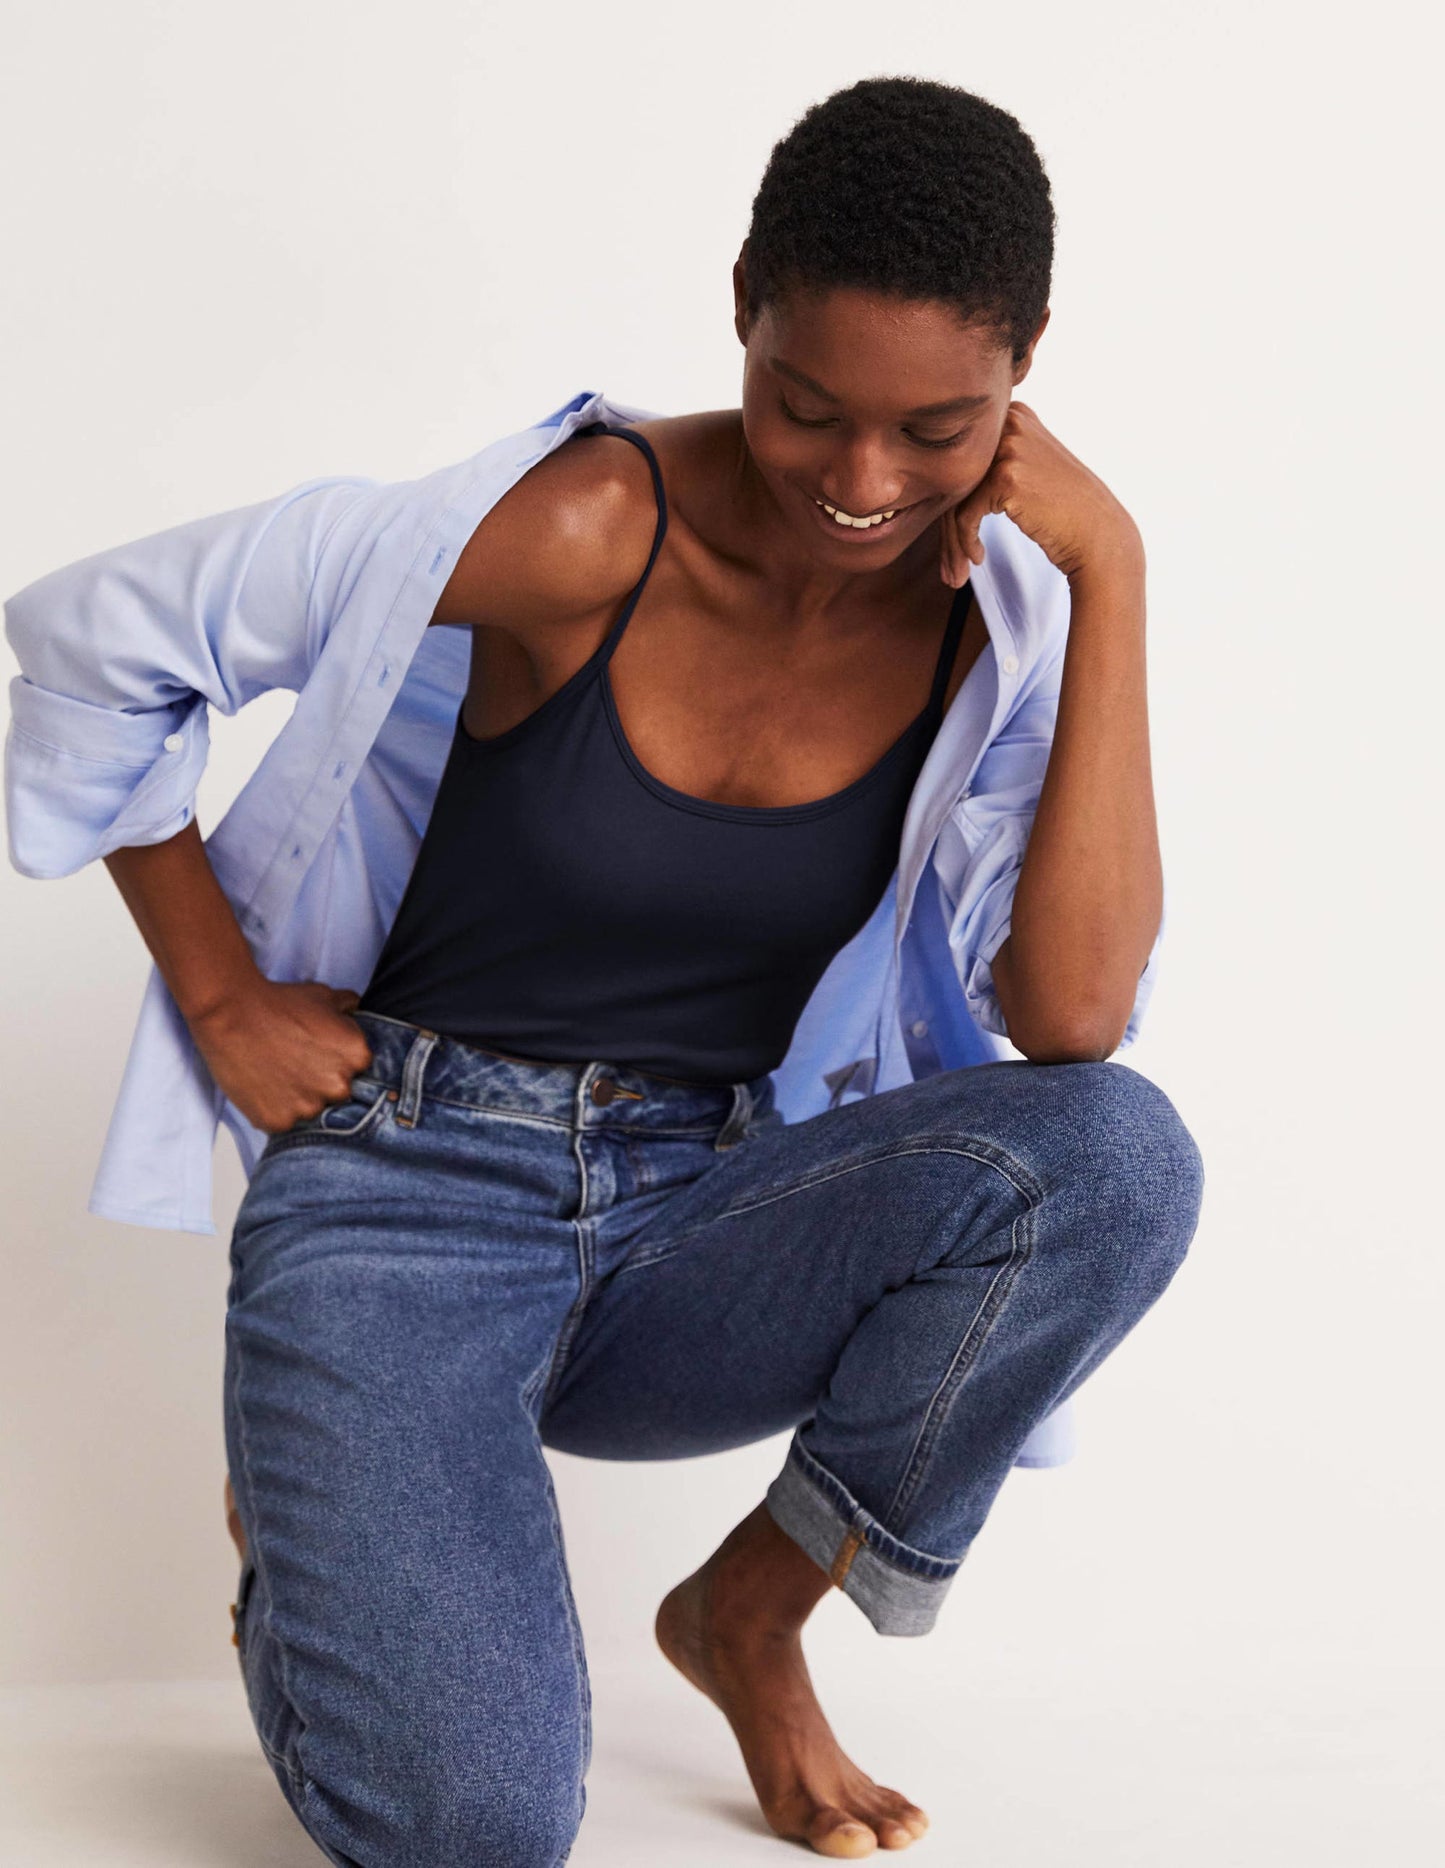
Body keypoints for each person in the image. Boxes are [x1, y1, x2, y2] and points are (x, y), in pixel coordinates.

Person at [4, 74, 1204, 1867]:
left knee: (1114, 1155)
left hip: (701, 1222)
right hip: (404, 1199)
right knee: (476, 1830)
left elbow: (1074, 1021)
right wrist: (222, 996)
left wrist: (1110, 576)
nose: (861, 484)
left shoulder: (997, 615)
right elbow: (94, 646)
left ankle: (752, 1621)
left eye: (937, 429)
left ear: (1026, 370)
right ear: (744, 307)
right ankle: (312, 1554)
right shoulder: (578, 528)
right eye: (806, 411)